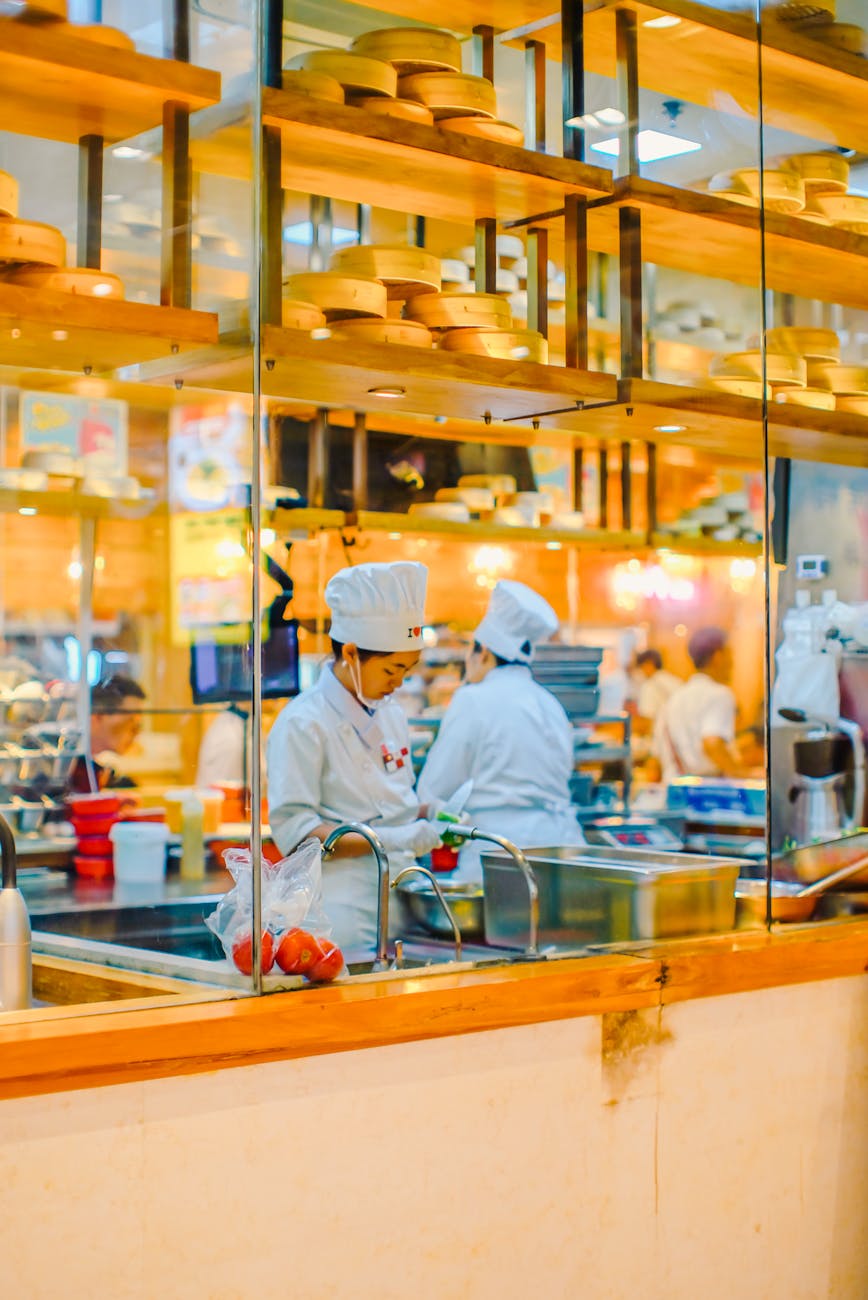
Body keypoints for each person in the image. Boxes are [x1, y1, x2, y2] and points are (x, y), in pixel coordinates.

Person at [266, 561, 443, 952]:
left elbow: (390, 802)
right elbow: (296, 834)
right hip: (340, 911)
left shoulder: (390, 712)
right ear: (350, 652)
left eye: (408, 670)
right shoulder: (303, 722)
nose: (398, 683)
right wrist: (394, 838)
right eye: (393, 669)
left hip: (402, 899)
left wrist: (429, 814)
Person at [417, 580, 582, 880]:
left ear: (482, 654)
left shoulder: (472, 699)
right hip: (562, 854)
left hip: (499, 857)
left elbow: (435, 789)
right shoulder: (550, 703)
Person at [654, 628, 751, 782]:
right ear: (718, 656)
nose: (733, 663)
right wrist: (742, 775)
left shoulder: (674, 698)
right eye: (730, 654)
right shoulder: (720, 694)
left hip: (675, 789)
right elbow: (712, 744)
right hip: (708, 791)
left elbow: (657, 754)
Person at [68, 675, 146, 793]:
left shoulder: (93, 769)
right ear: (98, 716)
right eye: (130, 721)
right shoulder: (67, 763)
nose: (136, 732)